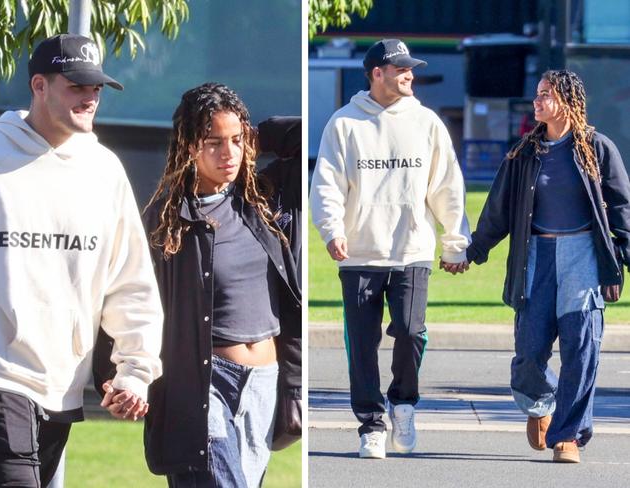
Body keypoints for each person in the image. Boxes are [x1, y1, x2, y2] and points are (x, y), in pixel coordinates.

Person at [0, 33, 163, 487]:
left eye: (96, 88)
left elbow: (130, 281)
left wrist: (135, 371)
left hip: (63, 384)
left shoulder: (105, 172)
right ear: (38, 86)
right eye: (76, 87)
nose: (90, 97)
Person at [310, 38, 470, 459]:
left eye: (410, 68)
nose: (409, 75)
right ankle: (371, 425)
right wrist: (331, 231)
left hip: (411, 250)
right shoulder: (344, 124)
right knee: (361, 344)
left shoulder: (427, 122)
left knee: (411, 332)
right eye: (401, 69)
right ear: (376, 73)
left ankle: (403, 403)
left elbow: (446, 187)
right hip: (360, 254)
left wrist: (455, 243)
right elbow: (325, 185)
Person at [140, 83, 301, 487]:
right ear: (189, 146)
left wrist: (257, 132)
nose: (228, 153)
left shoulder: (264, 197)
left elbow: (306, 139)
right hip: (203, 381)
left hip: (264, 381)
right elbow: (138, 300)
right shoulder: (168, 218)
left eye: (236, 140)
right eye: (214, 142)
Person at [466, 69, 630, 463]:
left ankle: (568, 437)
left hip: (583, 259)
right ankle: (541, 404)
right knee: (527, 354)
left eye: (545, 95)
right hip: (535, 257)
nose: (536, 102)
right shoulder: (523, 154)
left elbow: (622, 208)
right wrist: (473, 251)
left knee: (581, 350)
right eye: (537, 94)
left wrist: (618, 263)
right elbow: (498, 211)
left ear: (568, 101)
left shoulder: (598, 148)